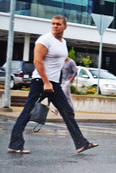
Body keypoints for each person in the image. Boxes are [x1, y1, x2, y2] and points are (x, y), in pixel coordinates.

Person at [8, 15, 98, 154]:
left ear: (65, 27)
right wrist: (45, 81)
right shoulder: (45, 40)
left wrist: (56, 81)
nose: (55, 26)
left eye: (58, 24)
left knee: (67, 111)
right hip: (40, 82)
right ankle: (15, 144)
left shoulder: (63, 42)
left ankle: (81, 143)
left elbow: (59, 64)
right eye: (53, 24)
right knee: (27, 111)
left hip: (54, 84)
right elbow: (37, 61)